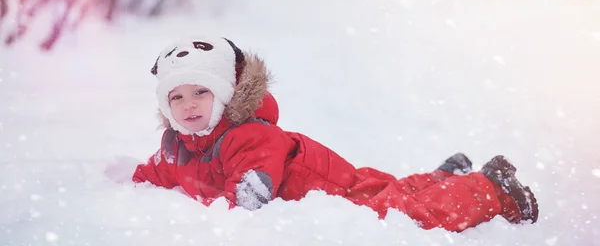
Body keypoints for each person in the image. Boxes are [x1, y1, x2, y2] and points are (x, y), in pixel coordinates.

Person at [133, 36, 539, 232]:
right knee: (389, 188)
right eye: (177, 97)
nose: (189, 105)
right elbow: (156, 173)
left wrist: (229, 205)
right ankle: (444, 178)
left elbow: (250, 188)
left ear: (222, 95)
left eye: (200, 93)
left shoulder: (245, 135)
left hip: (326, 190)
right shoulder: (179, 147)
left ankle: (491, 190)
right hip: (326, 179)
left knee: (402, 215)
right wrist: (136, 183)